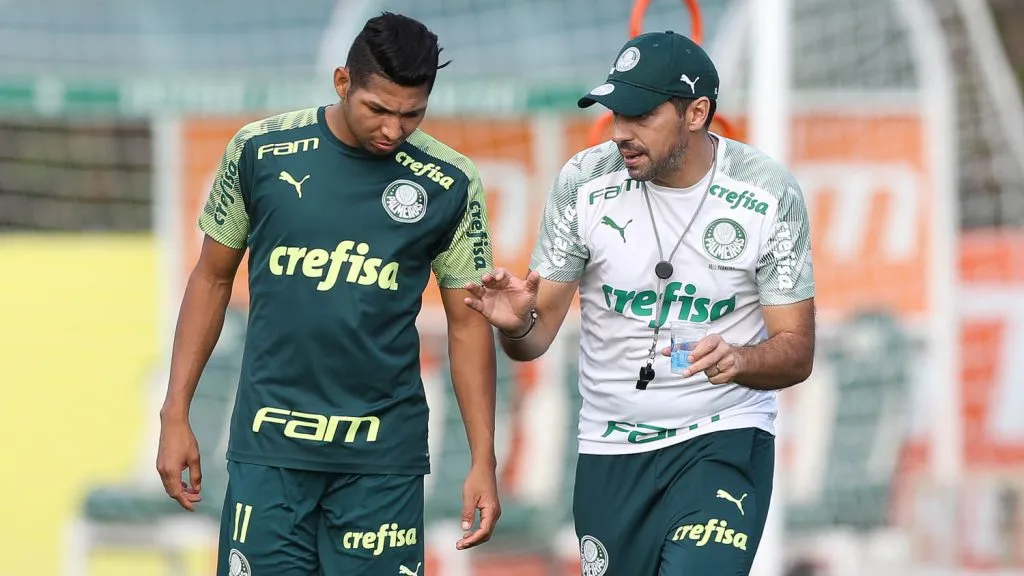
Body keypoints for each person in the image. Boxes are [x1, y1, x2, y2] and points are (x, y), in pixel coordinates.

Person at [156, 12, 501, 575]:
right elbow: (212, 278)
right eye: (378, 109)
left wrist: (482, 459)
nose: (393, 129)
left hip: (383, 460)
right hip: (270, 449)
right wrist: (175, 415)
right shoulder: (259, 152)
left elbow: (467, 324)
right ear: (343, 83)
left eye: (411, 115)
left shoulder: (450, 183)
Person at [463, 31, 815, 575]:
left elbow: (797, 352)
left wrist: (741, 360)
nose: (621, 133)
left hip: (720, 437)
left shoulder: (768, 193)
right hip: (610, 450)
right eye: (615, 114)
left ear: (696, 112)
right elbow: (533, 340)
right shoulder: (583, 182)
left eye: (640, 116)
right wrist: (514, 325)